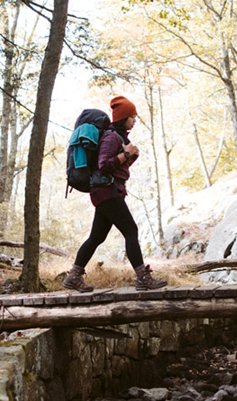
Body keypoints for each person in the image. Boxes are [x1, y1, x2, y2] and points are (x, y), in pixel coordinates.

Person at [63, 95, 168, 293]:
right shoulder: (111, 137)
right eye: (132, 116)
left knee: (97, 237)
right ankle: (142, 277)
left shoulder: (120, 138)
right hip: (106, 191)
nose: (135, 120)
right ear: (123, 117)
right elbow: (103, 166)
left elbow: (117, 168)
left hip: (109, 191)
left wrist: (130, 156)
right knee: (131, 230)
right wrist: (126, 154)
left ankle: (73, 276)